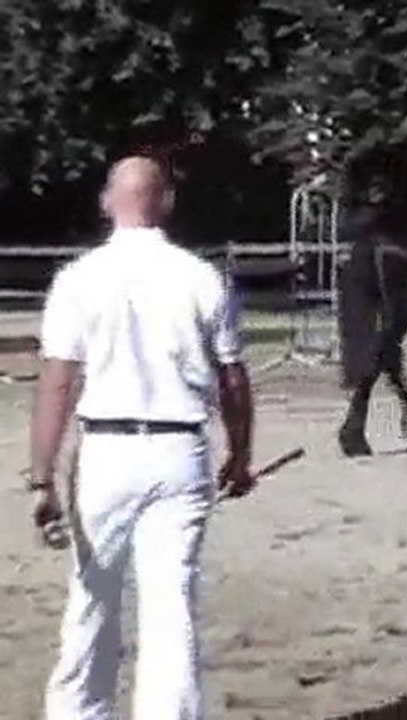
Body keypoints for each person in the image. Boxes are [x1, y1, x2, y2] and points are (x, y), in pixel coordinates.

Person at [28, 155, 255, 719]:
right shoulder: (203, 277)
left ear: (109, 201)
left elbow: (58, 383)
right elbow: (232, 379)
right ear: (167, 203)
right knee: (170, 604)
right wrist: (240, 455)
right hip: (180, 450)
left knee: (92, 594)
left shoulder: (78, 279)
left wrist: (41, 477)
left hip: (106, 450)